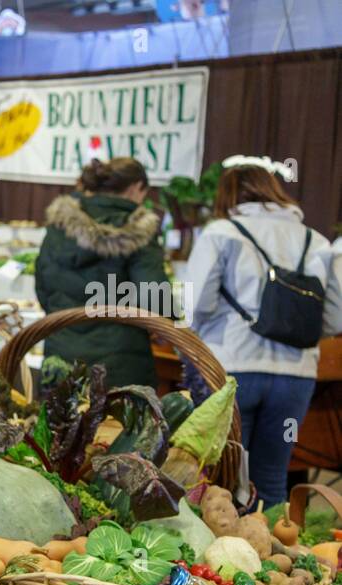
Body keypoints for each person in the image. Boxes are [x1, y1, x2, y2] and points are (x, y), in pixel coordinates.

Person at [185, 160, 340, 505]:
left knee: (220, 478)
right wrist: (296, 332)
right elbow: (335, 315)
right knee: (272, 475)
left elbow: (195, 305)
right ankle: (273, 555)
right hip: (295, 379)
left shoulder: (222, 233)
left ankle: (219, 557)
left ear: (228, 195)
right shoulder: (318, 242)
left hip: (231, 371)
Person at [34, 157, 169, 388]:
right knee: (114, 425)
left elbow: (44, 287)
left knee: (58, 421)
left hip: (61, 354)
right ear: (137, 187)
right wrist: (166, 326)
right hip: (119, 364)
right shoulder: (139, 231)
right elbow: (154, 297)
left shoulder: (59, 225)